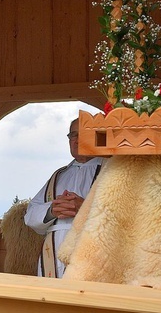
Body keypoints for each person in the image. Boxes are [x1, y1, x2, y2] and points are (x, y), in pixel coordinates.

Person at [24, 118, 103, 278]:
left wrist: (84, 208)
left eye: (83, 134)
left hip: (93, 251)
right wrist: (51, 210)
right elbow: (30, 216)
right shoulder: (59, 176)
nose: (77, 140)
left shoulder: (110, 170)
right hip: (52, 253)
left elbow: (125, 216)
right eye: (73, 135)